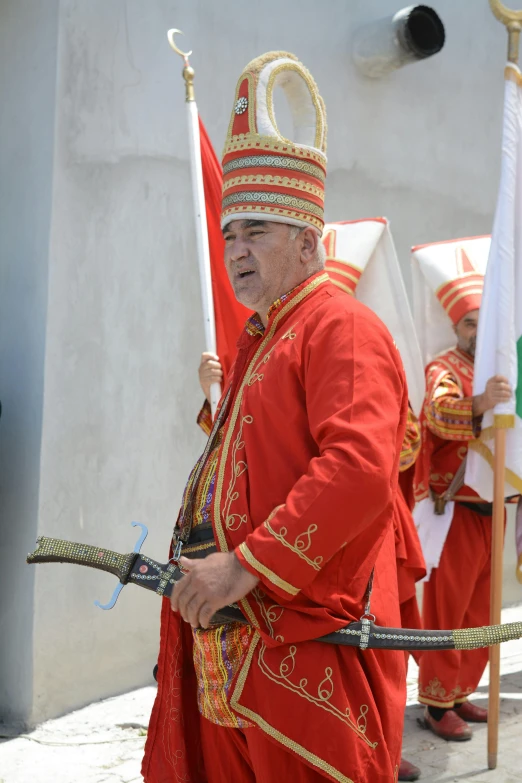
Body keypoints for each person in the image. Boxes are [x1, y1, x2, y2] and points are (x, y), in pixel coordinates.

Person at [142, 52, 409, 783]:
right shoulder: (263, 338)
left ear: (307, 241)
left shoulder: (341, 327)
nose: (235, 251)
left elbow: (357, 470)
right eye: (229, 236)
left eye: (254, 231)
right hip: (235, 654)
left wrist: (243, 565)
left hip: (299, 661)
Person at [322, 220, 426, 782]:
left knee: (380, 650)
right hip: (312, 541)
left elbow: (405, 444)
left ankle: (381, 753)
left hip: (371, 531)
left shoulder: (365, 345)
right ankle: (356, 757)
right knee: (333, 657)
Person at [412, 238, 512, 741]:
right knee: (446, 615)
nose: (476, 330)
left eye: (482, 320)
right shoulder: (444, 368)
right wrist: (480, 401)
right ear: (456, 327)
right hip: (454, 508)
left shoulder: (504, 369)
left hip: (496, 506)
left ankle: (460, 691)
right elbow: (438, 415)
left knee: (480, 611)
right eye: (468, 322)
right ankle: (434, 704)